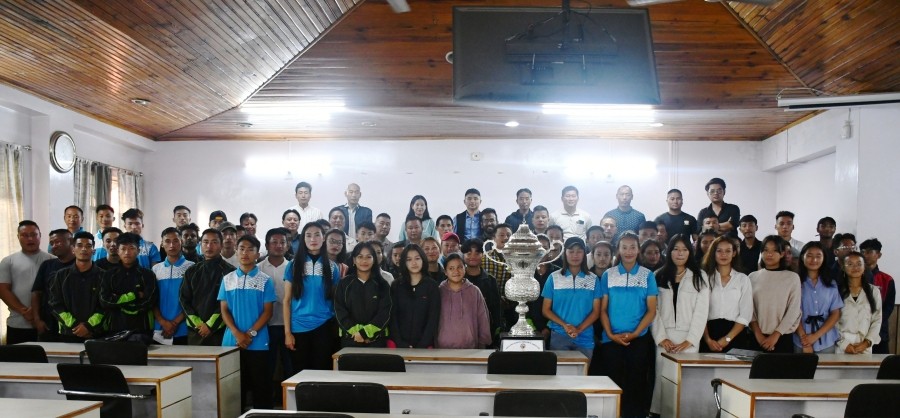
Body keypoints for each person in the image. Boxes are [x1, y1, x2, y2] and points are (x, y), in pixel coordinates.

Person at [594, 232, 658, 418]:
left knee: (635, 382)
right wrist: (611, 334)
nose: (628, 251)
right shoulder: (608, 274)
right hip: (611, 338)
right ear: (618, 250)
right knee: (613, 381)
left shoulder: (647, 276)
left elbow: (651, 310)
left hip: (639, 339)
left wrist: (636, 333)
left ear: (638, 250)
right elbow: (603, 310)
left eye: (632, 247)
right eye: (624, 247)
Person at [650, 234, 709, 416]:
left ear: (690, 252)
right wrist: (661, 338)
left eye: (684, 249)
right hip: (664, 338)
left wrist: (690, 340)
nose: (680, 253)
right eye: (676, 249)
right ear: (669, 252)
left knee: (687, 382)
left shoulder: (700, 276)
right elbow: (653, 311)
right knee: (663, 380)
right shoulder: (658, 275)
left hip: (688, 340)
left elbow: (702, 312)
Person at [218, 235, 276, 410]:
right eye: (241, 248)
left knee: (261, 387)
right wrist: (237, 333)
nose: (245, 253)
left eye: (250, 249)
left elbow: (268, 312)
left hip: (257, 342)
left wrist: (249, 334)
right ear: (236, 251)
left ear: (258, 254)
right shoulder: (227, 279)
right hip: (231, 342)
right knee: (233, 387)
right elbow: (224, 310)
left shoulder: (265, 280)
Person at [283, 222, 340, 371]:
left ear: (323, 238)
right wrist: (287, 333)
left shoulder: (333, 267)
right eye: (308, 235)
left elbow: (335, 299)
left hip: (324, 326)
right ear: (303, 239)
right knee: (300, 372)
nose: (313, 239)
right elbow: (287, 300)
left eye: (317, 235)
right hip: (298, 327)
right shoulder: (293, 265)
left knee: (322, 371)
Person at [541, 237, 601, 358]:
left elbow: (596, 311)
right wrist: (565, 325)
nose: (575, 255)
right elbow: (546, 310)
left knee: (582, 374)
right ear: (565, 253)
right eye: (571, 251)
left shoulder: (593, 279)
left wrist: (579, 329)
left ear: (584, 254)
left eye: (579, 251)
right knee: (560, 375)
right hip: (559, 334)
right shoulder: (554, 277)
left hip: (585, 336)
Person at [0, 221, 56, 344]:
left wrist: (37, 314)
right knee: (18, 362)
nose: (30, 238)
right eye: (25, 235)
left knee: (46, 361)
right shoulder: (8, 261)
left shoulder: (53, 260)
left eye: (34, 234)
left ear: (40, 235)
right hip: (17, 323)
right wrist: (24, 311)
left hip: (47, 324)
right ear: (18, 237)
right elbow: (3, 289)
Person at [99, 232, 159, 344]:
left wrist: (119, 301)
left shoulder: (148, 275)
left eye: (131, 248)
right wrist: (135, 295)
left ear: (138, 251)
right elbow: (105, 301)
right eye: (123, 248)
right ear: (118, 251)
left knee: (140, 360)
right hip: (114, 327)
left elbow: (150, 301)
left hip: (142, 328)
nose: (127, 252)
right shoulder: (109, 275)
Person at [181, 228, 236, 346]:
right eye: (205, 242)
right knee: (195, 364)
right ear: (200, 245)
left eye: (214, 242)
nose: (209, 246)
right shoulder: (192, 271)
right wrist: (199, 324)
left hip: (219, 330)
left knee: (220, 364)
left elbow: (229, 303)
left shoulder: (230, 272)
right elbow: (184, 299)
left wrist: (210, 326)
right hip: (196, 331)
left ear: (221, 245)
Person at [48, 231, 106, 342]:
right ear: (73, 249)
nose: (84, 249)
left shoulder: (103, 276)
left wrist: (88, 326)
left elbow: (105, 306)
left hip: (96, 334)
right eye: (79, 245)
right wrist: (75, 326)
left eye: (88, 246)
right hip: (68, 333)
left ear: (93, 250)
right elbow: (55, 304)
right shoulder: (61, 275)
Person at [748, 236, 801, 353]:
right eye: (765, 250)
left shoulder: (792, 277)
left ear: (782, 254)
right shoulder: (752, 277)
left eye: (774, 250)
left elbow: (794, 311)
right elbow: (748, 309)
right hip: (756, 337)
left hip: (782, 337)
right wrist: (758, 334)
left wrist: (776, 335)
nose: (769, 254)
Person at [334, 242, 392, 347]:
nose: (364, 261)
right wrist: (357, 334)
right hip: (350, 338)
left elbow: (385, 313)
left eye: (368, 257)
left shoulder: (382, 284)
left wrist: (365, 333)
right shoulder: (344, 283)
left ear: (374, 260)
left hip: (377, 340)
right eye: (360, 257)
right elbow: (340, 311)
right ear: (354, 260)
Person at [700, 236, 753, 352]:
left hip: (736, 334)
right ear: (713, 253)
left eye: (728, 251)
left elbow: (746, 314)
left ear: (734, 253)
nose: (723, 254)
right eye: (719, 251)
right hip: (709, 333)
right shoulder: (705, 278)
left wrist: (728, 338)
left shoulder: (742, 279)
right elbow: (700, 312)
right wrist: (708, 339)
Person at [258, 227, 293, 382]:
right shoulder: (257, 268)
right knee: (267, 366)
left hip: (289, 326)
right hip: (266, 325)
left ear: (287, 245)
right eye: (274, 242)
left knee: (290, 366)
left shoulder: (293, 268)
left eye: (282, 242)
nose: (278, 245)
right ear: (266, 245)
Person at [793, 242, 842, 353]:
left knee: (827, 370)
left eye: (818, 256)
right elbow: (792, 313)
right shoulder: (795, 282)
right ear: (802, 257)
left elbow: (835, 313)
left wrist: (815, 336)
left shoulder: (831, 283)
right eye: (809, 256)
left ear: (824, 258)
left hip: (826, 340)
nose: (814, 260)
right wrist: (804, 340)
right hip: (800, 341)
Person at [436, 253, 492, 349]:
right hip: (442, 349)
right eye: (451, 268)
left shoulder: (474, 291)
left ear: (465, 268)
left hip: (470, 348)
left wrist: (483, 343)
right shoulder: (438, 291)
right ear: (445, 272)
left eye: (459, 267)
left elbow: (483, 318)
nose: (456, 271)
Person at [390, 244, 441, 348]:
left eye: (417, 258)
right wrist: (399, 342)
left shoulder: (432, 285)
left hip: (425, 346)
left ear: (423, 259)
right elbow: (393, 317)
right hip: (399, 345)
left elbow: (433, 318)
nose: (414, 263)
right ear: (404, 262)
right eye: (409, 259)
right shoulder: (396, 285)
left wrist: (423, 344)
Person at [31, 229, 76, 341]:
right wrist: (37, 320)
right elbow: (36, 292)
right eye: (51, 243)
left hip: (73, 324)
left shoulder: (80, 265)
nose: (54, 246)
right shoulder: (47, 265)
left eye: (58, 242)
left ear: (70, 241)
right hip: (48, 323)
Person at [152, 227, 193, 345]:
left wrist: (174, 323)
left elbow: (193, 300)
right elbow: (152, 299)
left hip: (184, 328)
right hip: (159, 329)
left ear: (181, 242)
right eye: (167, 241)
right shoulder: (156, 269)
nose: (172, 245)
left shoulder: (191, 267)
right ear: (162, 244)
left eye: (175, 241)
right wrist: (162, 322)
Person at [836, 252, 881, 354]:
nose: (855, 267)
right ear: (843, 267)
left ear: (864, 267)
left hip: (864, 344)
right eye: (850, 264)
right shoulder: (837, 291)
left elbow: (877, 319)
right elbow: (832, 321)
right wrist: (843, 343)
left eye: (859, 264)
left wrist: (867, 342)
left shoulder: (874, 291)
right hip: (842, 345)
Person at [859, 238, 895, 354]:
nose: (865, 255)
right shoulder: (854, 277)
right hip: (857, 330)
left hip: (879, 331)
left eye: (869, 252)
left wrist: (874, 323)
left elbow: (888, 307)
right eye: (862, 251)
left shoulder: (887, 279)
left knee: (881, 367)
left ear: (879, 255)